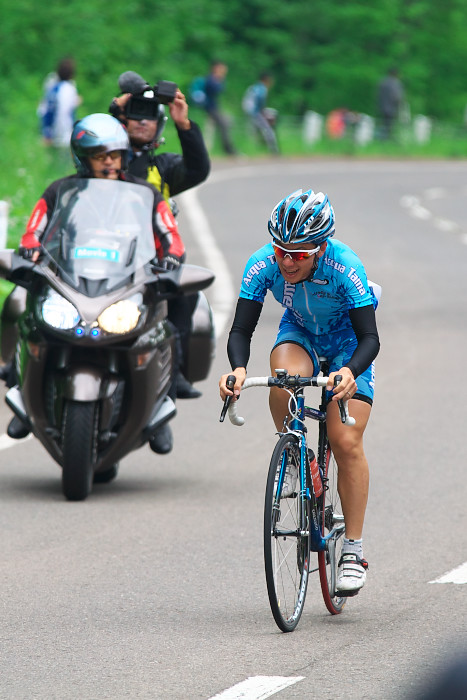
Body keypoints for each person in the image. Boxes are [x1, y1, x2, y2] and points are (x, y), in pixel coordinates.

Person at [219, 188, 380, 596]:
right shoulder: (262, 264)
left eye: (299, 254)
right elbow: (241, 330)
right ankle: (296, 451)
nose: (287, 262)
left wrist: (349, 372)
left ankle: (353, 551)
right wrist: (237, 370)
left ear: (321, 248)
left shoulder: (346, 266)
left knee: (346, 440)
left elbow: (369, 338)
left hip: (347, 343)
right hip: (300, 333)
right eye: (281, 252)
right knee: (283, 376)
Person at [4, 113, 184, 455]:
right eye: (101, 156)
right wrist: (28, 249)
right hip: (69, 278)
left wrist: (172, 257)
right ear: (82, 158)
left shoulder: (144, 194)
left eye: (114, 155)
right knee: (21, 309)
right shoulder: (60, 192)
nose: (109, 163)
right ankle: (20, 392)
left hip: (128, 281)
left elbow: (169, 236)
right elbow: (35, 228)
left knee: (165, 327)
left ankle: (161, 412)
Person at [109, 70, 211, 400]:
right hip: (101, 253)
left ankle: (174, 375)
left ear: (160, 123)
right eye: (135, 113)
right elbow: (87, 147)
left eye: (150, 115)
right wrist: (114, 112)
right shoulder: (104, 159)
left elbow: (197, 170)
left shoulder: (163, 167)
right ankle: (24, 371)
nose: (141, 121)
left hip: (152, 259)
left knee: (184, 292)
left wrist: (185, 123)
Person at [39, 57, 82, 148]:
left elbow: (45, 110)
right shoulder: (68, 89)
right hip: (63, 136)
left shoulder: (53, 88)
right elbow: (63, 112)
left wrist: (47, 133)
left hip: (52, 132)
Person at [203, 61, 237, 156]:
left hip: (213, 108)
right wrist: (220, 79)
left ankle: (225, 148)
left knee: (212, 129)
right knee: (223, 125)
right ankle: (228, 149)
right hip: (210, 108)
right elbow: (215, 90)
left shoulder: (215, 79)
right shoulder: (210, 79)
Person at [242, 72, 279, 154]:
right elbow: (260, 102)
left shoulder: (253, 87)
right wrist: (264, 113)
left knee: (253, 131)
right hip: (254, 112)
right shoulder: (262, 88)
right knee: (268, 130)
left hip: (247, 111)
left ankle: (255, 148)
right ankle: (273, 150)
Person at [377, 67, 404, 140]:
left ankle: (383, 138)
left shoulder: (382, 82)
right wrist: (400, 105)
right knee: (390, 124)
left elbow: (378, 95)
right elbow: (397, 96)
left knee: (384, 123)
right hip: (392, 108)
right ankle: (387, 139)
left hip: (382, 107)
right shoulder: (395, 83)